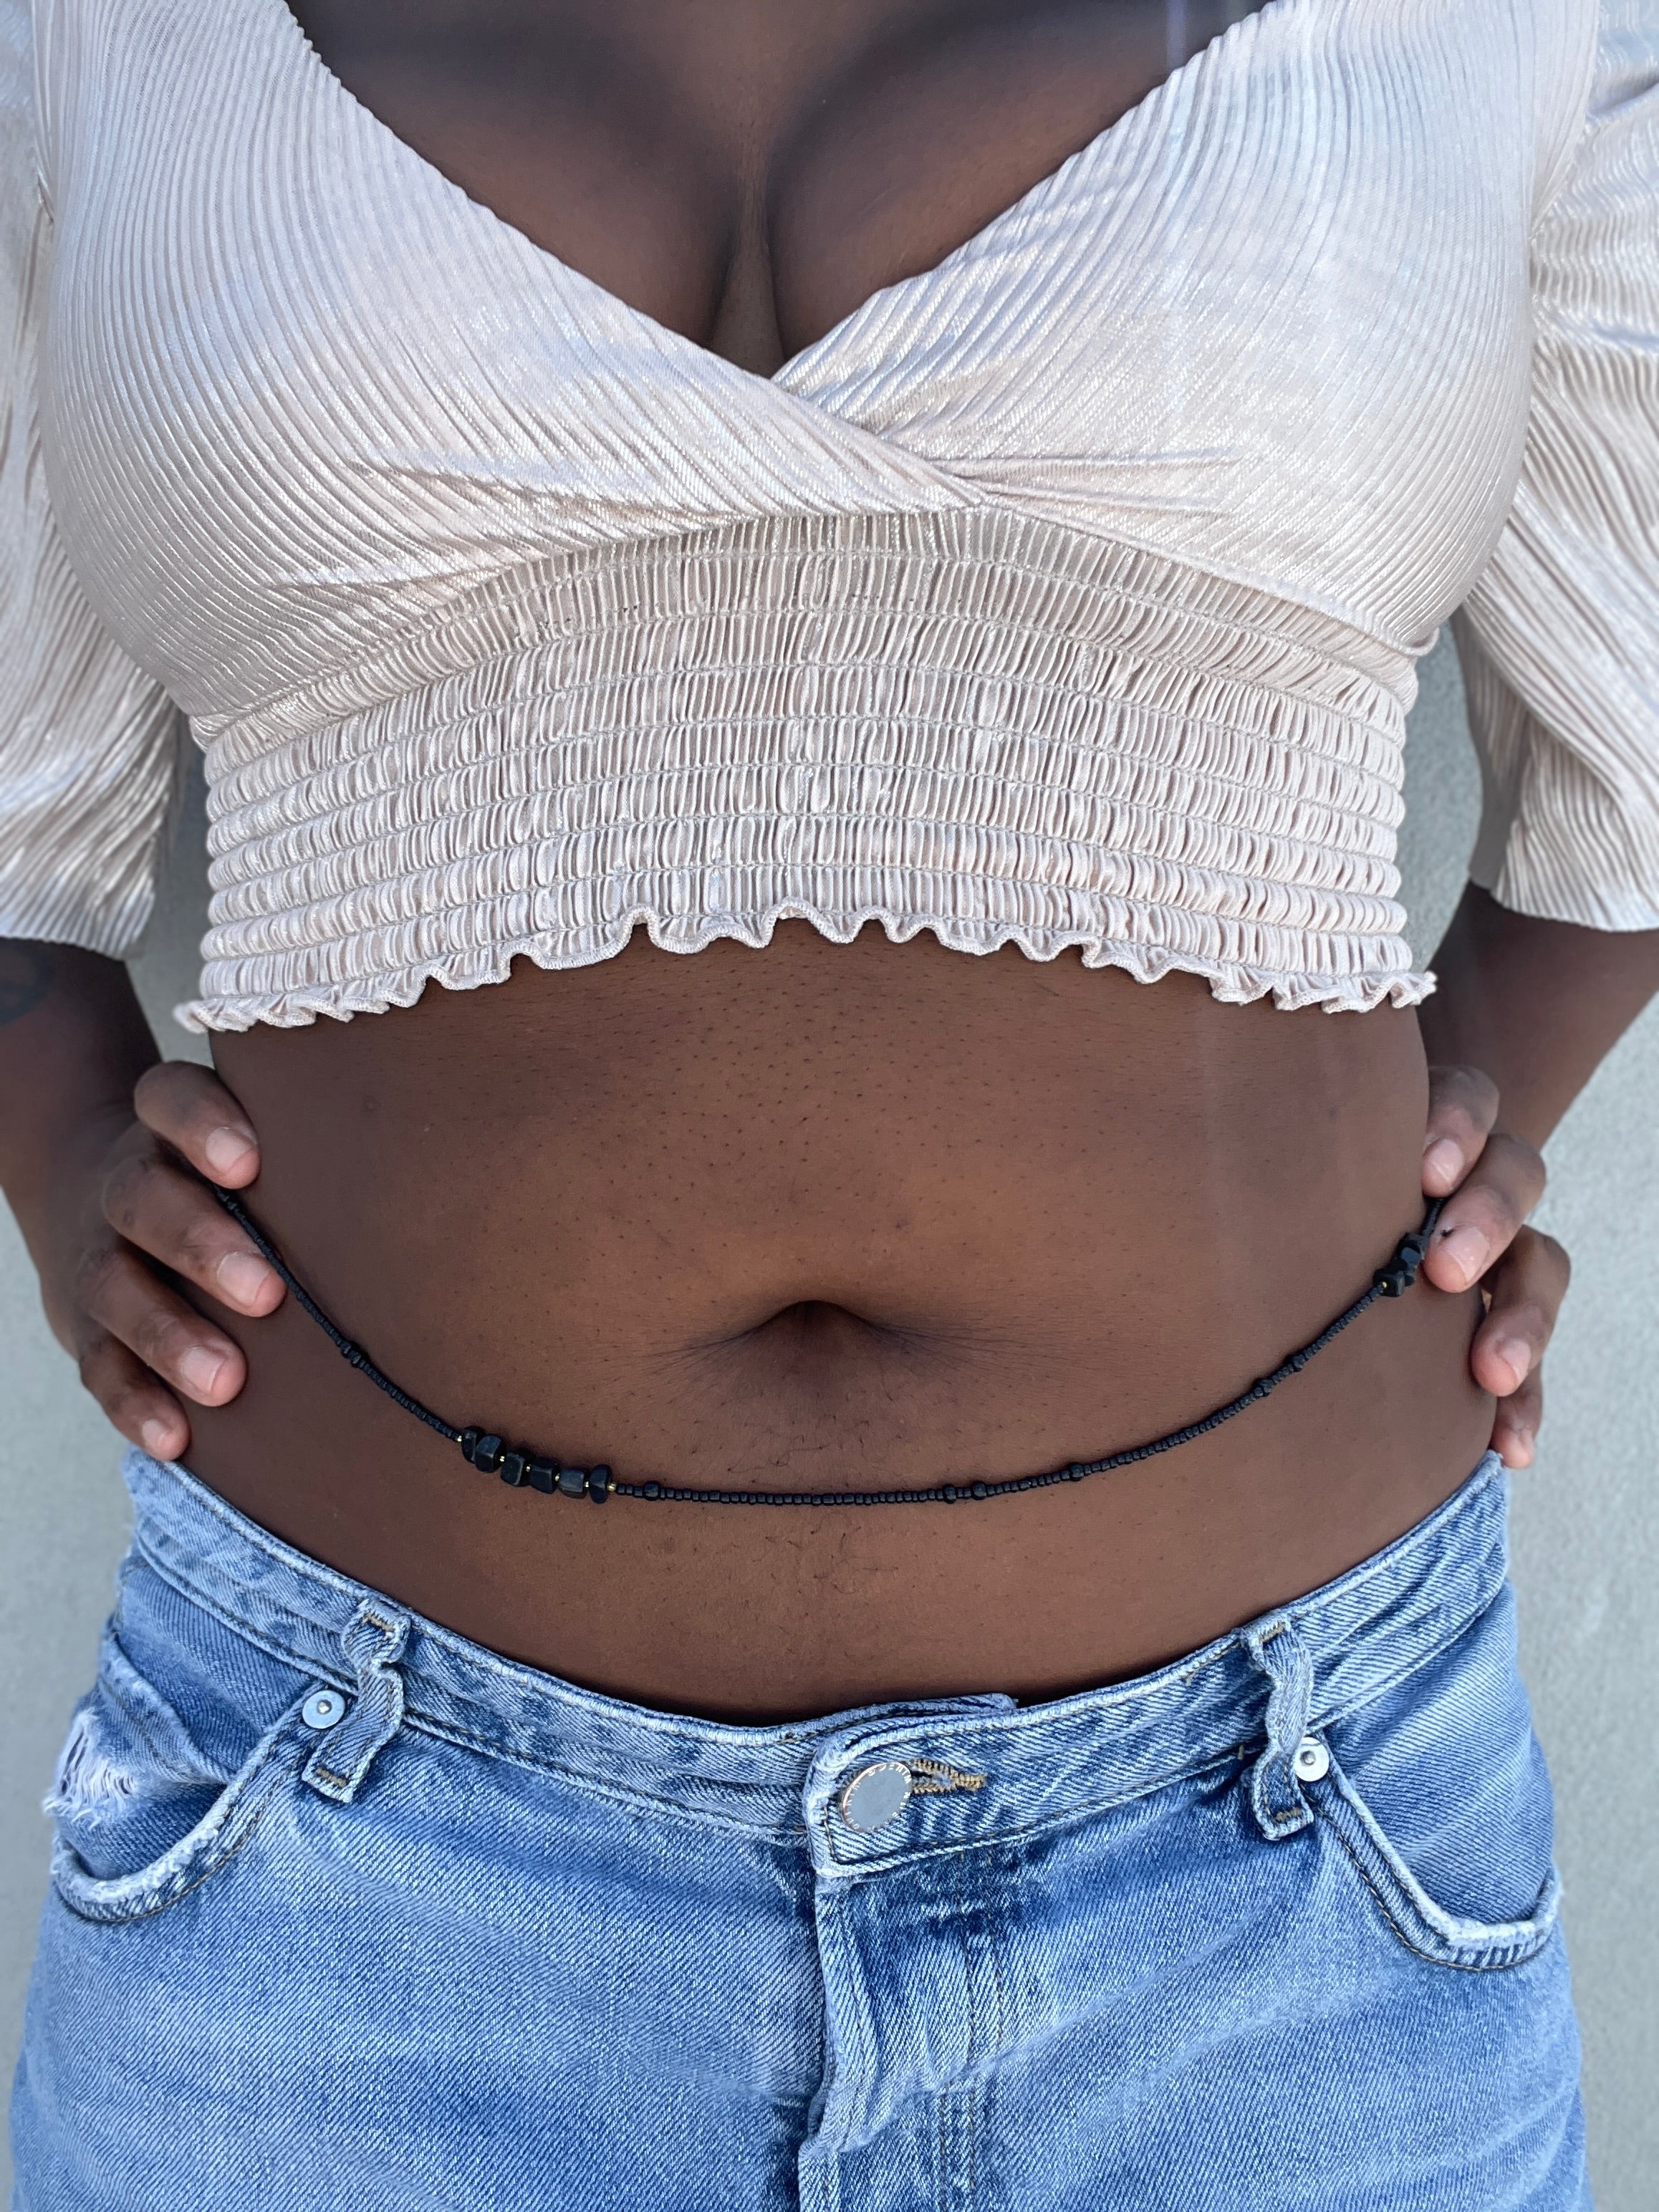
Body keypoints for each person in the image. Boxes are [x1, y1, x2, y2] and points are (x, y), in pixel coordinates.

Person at [3, 0, 1657, 2203]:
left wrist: (1447, 1148)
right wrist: (58, 1139)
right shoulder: (102, 41)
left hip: (1278, 1873)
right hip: (357, 1861)